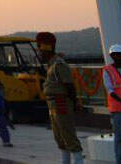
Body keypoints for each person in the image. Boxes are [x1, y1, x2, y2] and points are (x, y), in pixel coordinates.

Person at [39, 32, 86, 164]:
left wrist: (75, 103)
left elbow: (69, 86)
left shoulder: (58, 64)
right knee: (59, 137)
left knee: (68, 135)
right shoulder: (51, 65)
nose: (39, 54)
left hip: (61, 103)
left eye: (41, 51)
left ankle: (78, 161)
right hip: (52, 103)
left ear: (46, 50)